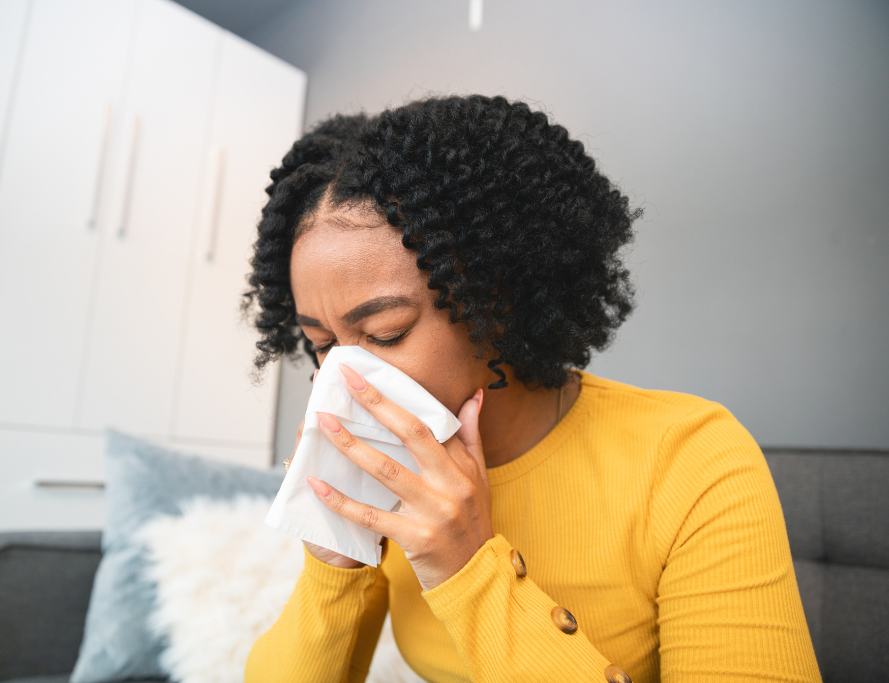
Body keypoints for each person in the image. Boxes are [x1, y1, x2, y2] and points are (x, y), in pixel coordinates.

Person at [242, 95, 820, 682]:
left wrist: (468, 571)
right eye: (322, 344)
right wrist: (332, 560)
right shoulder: (390, 481)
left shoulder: (692, 460)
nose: (344, 379)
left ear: (494, 303)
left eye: (386, 333)